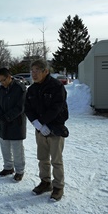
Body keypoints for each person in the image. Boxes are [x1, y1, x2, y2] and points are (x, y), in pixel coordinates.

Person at [24, 59, 69, 201]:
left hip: (55, 129)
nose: (34, 74)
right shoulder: (31, 89)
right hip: (40, 130)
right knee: (42, 158)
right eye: (32, 71)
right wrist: (36, 124)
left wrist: (44, 123)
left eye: (37, 70)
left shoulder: (56, 87)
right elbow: (28, 108)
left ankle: (58, 187)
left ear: (46, 71)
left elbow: (57, 108)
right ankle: (45, 182)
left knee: (56, 160)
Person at [0, 68, 27, 182]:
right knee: (5, 147)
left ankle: (19, 171)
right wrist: (1, 116)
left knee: (17, 149)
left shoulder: (20, 88)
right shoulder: (0, 90)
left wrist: (7, 117)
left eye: (3, 80)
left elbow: (21, 107)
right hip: (4, 123)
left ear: (9, 77)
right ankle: (8, 167)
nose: (1, 83)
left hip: (16, 123)